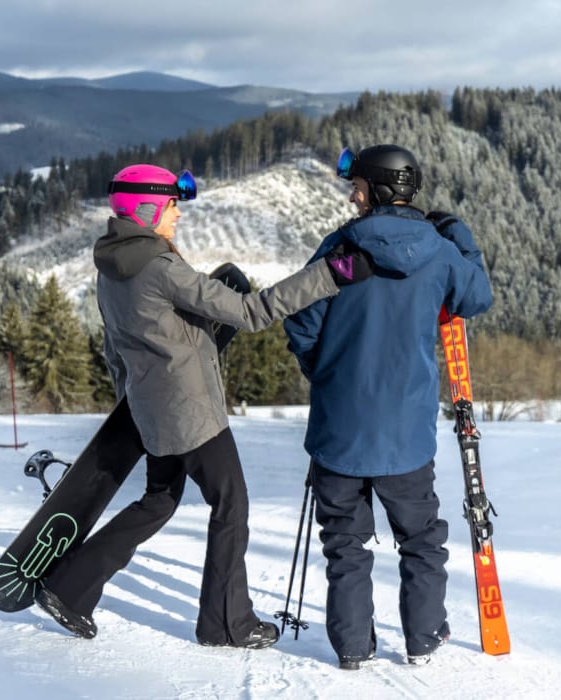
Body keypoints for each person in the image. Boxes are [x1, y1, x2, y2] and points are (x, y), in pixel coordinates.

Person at [35, 163, 372, 649]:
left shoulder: (110, 269)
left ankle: (67, 587)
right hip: (192, 414)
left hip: (153, 409)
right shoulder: (162, 269)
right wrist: (330, 273)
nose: (177, 217)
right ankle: (227, 623)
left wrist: (132, 403)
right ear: (149, 209)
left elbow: (115, 351)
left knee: (158, 502)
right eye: (173, 206)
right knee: (231, 505)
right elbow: (252, 313)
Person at [283, 144, 493, 669]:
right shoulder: (440, 252)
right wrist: (459, 233)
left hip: (339, 433)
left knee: (345, 545)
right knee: (420, 541)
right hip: (406, 434)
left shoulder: (341, 251)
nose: (351, 196)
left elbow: (300, 323)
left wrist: (326, 375)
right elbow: (476, 297)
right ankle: (423, 638)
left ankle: (353, 646)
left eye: (356, 186)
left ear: (377, 189)